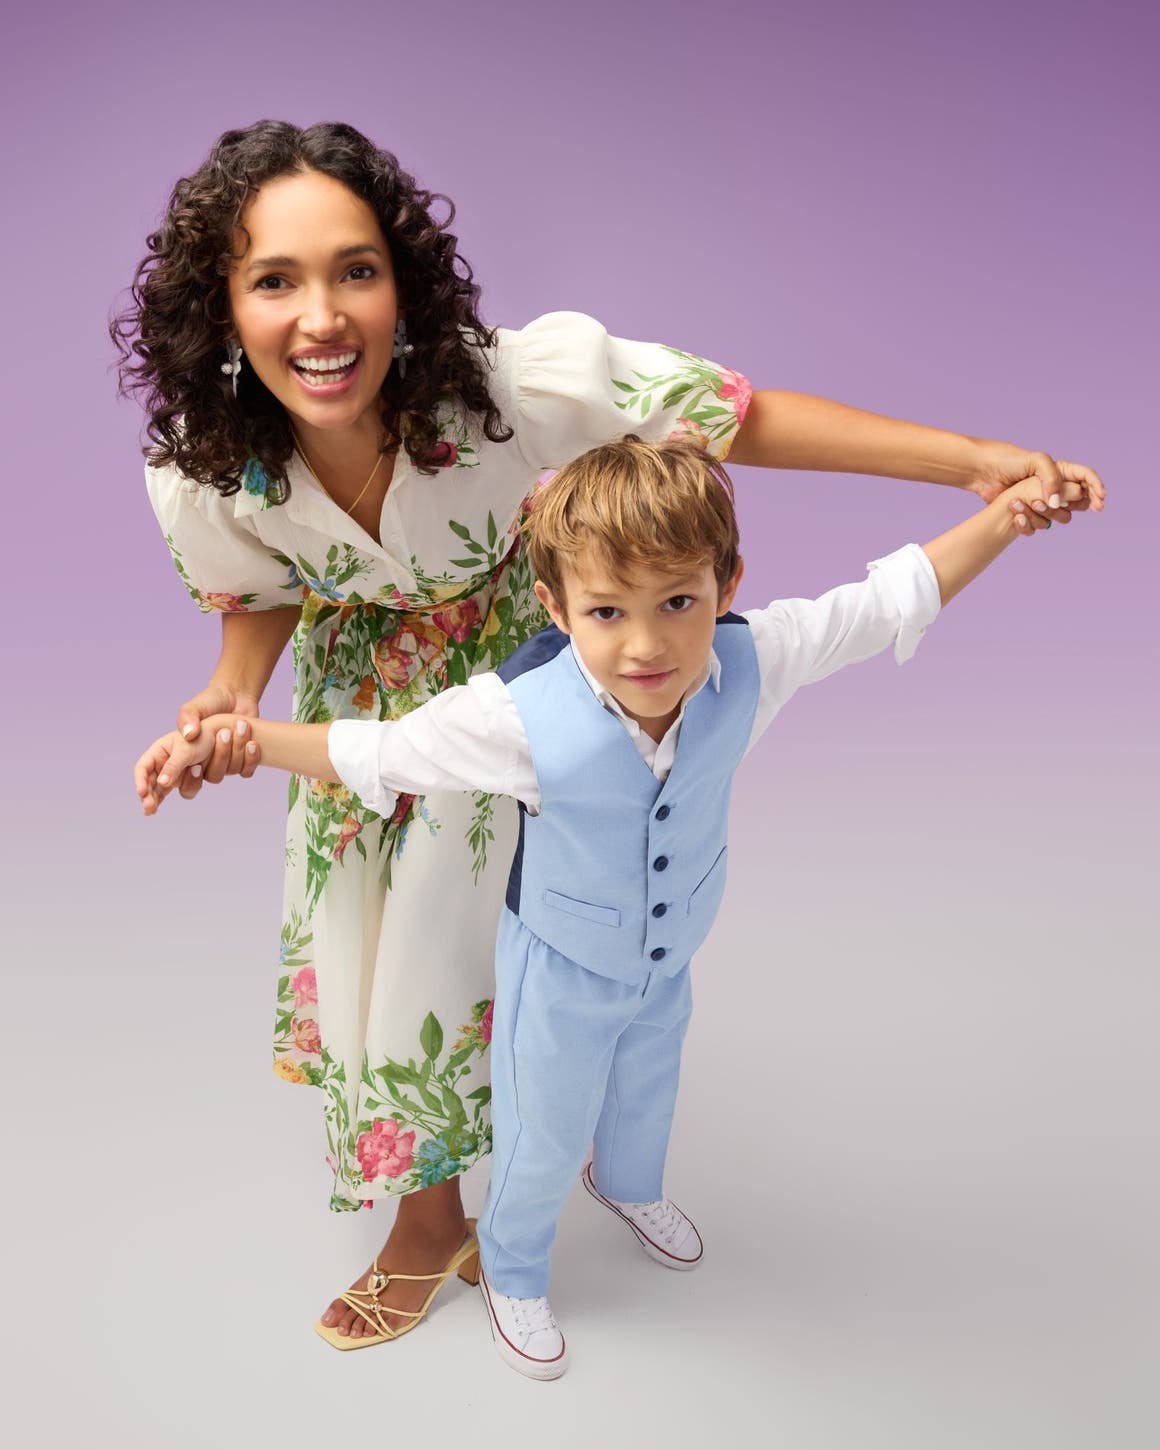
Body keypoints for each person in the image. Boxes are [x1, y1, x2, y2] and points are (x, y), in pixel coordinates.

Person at [119, 118, 1104, 1347]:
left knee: (565, 935)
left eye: (354, 269)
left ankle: (588, 1158)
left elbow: (732, 415)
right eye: (274, 280)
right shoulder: (208, 468)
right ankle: (431, 1219)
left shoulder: (505, 387)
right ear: (222, 308)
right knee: (403, 958)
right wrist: (230, 692)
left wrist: (970, 465)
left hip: (543, 672)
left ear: (403, 283)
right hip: (373, 705)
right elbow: (254, 592)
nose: (320, 316)